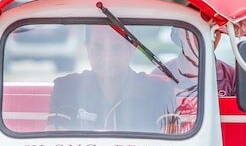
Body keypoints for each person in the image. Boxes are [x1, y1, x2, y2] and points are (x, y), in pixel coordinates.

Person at [47, 25, 177, 133]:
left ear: (132, 49)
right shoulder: (67, 87)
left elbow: (171, 141)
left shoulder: (160, 90)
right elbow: (55, 142)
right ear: (87, 48)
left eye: (116, 48)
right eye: (98, 48)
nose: (107, 57)